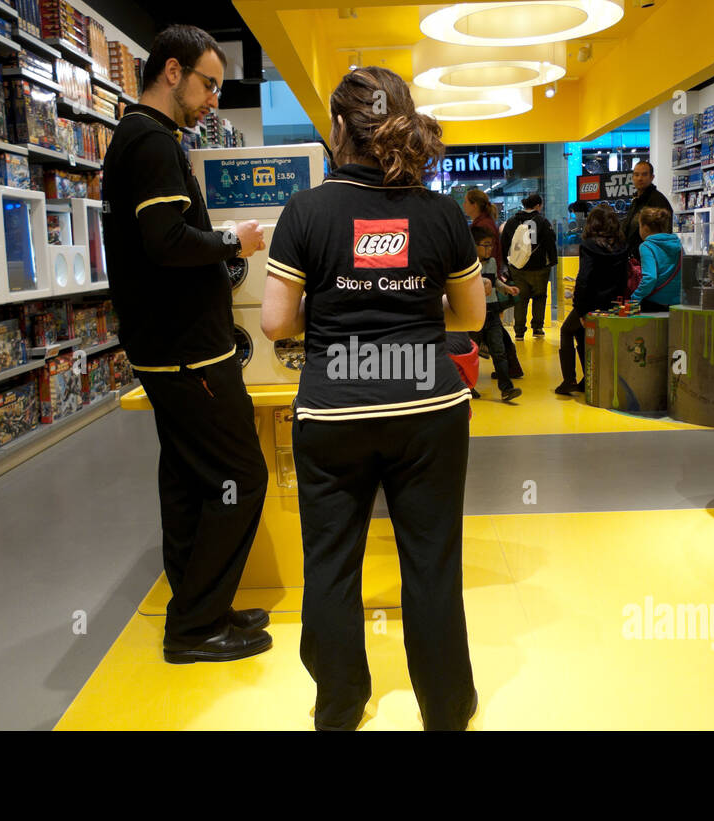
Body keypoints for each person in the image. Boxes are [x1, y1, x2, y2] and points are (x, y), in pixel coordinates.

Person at [260, 66, 484, 731]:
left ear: (337, 129)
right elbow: (470, 315)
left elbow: (275, 322)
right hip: (429, 409)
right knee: (432, 563)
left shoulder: (305, 211)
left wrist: (333, 312)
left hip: (334, 409)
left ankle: (338, 705)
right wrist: (409, 302)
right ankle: (446, 707)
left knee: (330, 564)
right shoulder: (441, 211)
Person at [101, 25, 272, 664]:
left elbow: (163, 239)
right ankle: (196, 626)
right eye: (207, 84)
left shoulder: (144, 139)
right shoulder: (149, 142)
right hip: (187, 354)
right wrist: (232, 242)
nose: (213, 101)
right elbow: (166, 242)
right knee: (239, 475)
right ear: (171, 71)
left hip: (168, 348)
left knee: (188, 479)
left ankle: (200, 605)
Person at [556, 205, 626, 395]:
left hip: (590, 303)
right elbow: (623, 277)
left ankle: (569, 380)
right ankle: (589, 377)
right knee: (580, 334)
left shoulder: (589, 246)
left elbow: (584, 278)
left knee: (566, 331)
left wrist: (580, 308)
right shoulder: (621, 245)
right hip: (613, 303)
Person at [463, 187, 523, 377]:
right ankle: (509, 367)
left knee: (486, 328)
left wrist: (492, 280)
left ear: (474, 205)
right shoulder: (484, 223)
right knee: (492, 327)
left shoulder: (483, 226)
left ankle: (506, 366)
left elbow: (488, 256)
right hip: (488, 280)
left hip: (485, 282)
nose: (464, 206)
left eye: (466, 202)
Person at [473, 225, 522, 401]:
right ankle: (467, 386)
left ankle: (506, 388)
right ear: (474, 245)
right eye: (485, 245)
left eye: (491, 245)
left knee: (499, 350)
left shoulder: (492, 262)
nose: (489, 249)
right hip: (474, 313)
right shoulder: (468, 265)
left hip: (492, 311)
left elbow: (494, 283)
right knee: (471, 352)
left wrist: (507, 288)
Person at [501, 193, 558, 340]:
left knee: (521, 298)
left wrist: (507, 263)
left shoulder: (513, 221)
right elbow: (550, 243)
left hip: (518, 267)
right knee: (539, 297)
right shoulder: (543, 221)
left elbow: (504, 242)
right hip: (539, 267)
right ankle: (537, 328)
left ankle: (519, 331)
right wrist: (552, 261)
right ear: (538, 205)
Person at [631, 207, 683, 313]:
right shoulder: (678, 244)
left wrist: (635, 298)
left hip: (654, 303)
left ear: (645, 227)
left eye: (639, 226)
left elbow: (650, 277)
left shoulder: (647, 246)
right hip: (677, 303)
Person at [620, 160, 674, 259]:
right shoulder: (636, 200)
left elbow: (664, 233)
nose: (640, 178)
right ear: (632, 177)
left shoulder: (658, 201)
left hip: (650, 257)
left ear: (652, 177)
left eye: (644, 174)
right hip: (634, 258)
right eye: (636, 175)